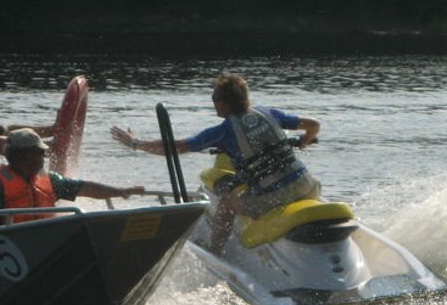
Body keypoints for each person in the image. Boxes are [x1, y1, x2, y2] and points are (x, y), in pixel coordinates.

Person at [110, 72, 321, 254]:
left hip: (276, 195)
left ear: (223, 102)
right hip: (307, 185)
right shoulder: (268, 113)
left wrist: (136, 143)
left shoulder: (224, 131)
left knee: (227, 204)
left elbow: (176, 147)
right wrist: (305, 140)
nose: (213, 102)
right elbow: (313, 125)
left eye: (214, 98)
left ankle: (216, 250)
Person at [0, 128, 144, 227]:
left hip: (48, 242)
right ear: (25, 156)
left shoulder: (50, 180)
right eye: (41, 153)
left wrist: (121, 191)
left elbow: (84, 188)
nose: (45, 157)